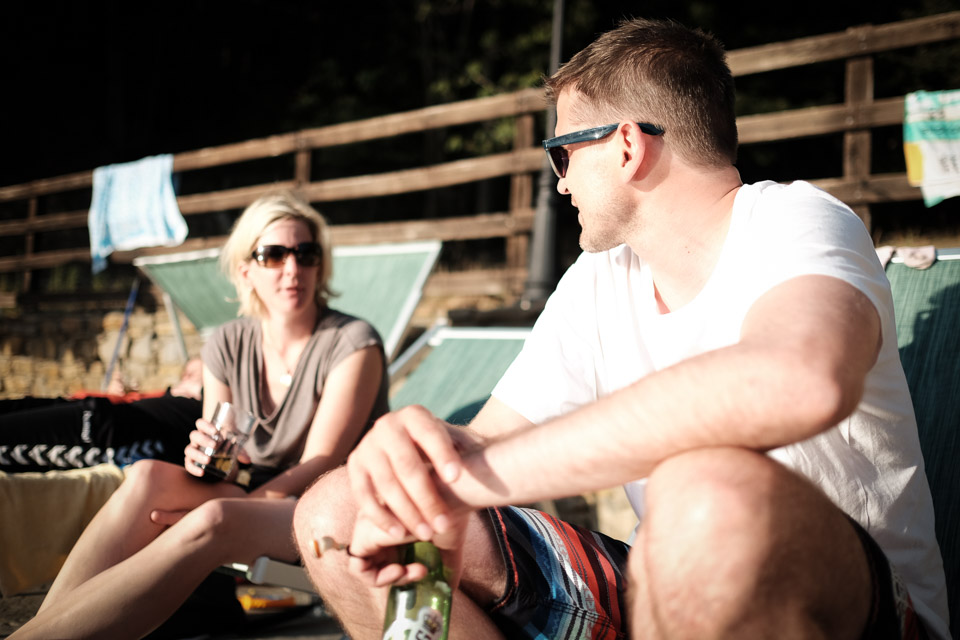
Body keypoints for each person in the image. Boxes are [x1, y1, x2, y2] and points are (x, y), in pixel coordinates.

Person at [292, 18, 950, 640]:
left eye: (562, 154)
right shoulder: (601, 278)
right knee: (342, 509)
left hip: (853, 609)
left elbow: (799, 380)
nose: (560, 184)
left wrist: (461, 483)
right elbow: (487, 441)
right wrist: (414, 461)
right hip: (662, 589)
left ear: (627, 146)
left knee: (704, 492)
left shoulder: (792, 220)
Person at [10, 191, 390, 639]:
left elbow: (321, 462)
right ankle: (45, 629)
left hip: (326, 504)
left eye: (306, 254)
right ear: (246, 270)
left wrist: (234, 504)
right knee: (148, 474)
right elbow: (223, 455)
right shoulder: (227, 343)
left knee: (215, 520)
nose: (293, 268)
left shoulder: (352, 344)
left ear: (319, 266)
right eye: (274, 255)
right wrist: (205, 459)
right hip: (258, 493)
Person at [0, 358, 203, 473]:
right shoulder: (167, 396)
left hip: (99, 430)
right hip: (81, 405)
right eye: (185, 372)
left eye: (193, 373)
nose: (186, 375)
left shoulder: (197, 407)